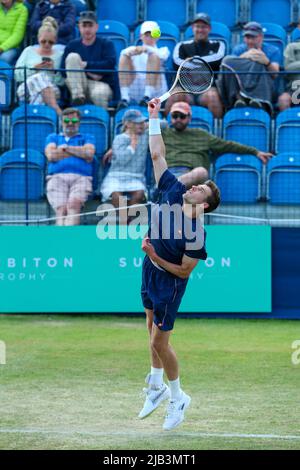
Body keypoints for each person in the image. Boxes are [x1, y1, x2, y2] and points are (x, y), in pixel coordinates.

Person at [139, 97, 220, 431]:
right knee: (149, 331)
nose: (196, 187)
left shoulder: (197, 234)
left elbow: (185, 271)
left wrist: (155, 255)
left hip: (170, 283)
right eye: (198, 185)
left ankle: (177, 396)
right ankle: (155, 386)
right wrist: (154, 117)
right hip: (149, 271)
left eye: (201, 190)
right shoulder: (173, 190)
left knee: (160, 342)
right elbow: (157, 154)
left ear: (206, 205)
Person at [161, 101, 273, 188]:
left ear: (189, 118)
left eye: (182, 116)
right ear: (170, 118)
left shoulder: (201, 134)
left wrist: (255, 152)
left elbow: (228, 145)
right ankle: (172, 187)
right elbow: (146, 127)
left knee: (202, 172)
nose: (178, 119)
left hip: (192, 175)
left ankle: (171, 188)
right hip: (169, 172)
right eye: (175, 116)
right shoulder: (164, 133)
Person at [45, 107, 96, 225]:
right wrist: (79, 152)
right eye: (66, 121)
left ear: (79, 122)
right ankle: (63, 239)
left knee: (74, 204)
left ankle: (69, 238)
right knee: (61, 209)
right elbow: (51, 155)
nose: (70, 124)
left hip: (82, 178)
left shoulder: (87, 137)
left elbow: (89, 153)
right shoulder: (53, 137)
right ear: (61, 122)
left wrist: (66, 148)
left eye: (74, 121)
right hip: (56, 177)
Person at [170, 12, 225, 118]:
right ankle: (167, 131)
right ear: (192, 28)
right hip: (184, 88)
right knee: (174, 96)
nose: (200, 30)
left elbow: (218, 59)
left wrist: (190, 61)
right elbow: (176, 63)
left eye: (203, 27)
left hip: (208, 88)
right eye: (197, 26)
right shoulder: (181, 45)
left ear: (209, 28)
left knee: (213, 97)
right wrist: (203, 64)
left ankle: (216, 132)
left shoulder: (218, 45)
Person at [218, 21, 281, 112]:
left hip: (265, 87)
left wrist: (266, 62)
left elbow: (275, 74)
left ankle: (258, 99)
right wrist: (244, 57)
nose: (250, 41)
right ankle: (239, 98)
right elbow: (230, 68)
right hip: (240, 87)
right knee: (227, 60)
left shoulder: (273, 50)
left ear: (261, 37)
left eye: (253, 37)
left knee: (258, 60)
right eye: (247, 37)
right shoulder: (238, 50)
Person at [60, 10, 116, 108]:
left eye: (90, 26)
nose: (87, 29)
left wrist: (86, 65)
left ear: (96, 27)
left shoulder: (106, 44)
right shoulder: (72, 45)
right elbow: (63, 70)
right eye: (84, 26)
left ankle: (100, 120)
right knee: (73, 57)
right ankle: (78, 98)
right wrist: (89, 72)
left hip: (100, 83)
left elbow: (110, 64)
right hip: (77, 83)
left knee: (99, 94)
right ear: (79, 27)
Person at [100, 109, 148, 216]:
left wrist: (148, 125)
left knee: (139, 193)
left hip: (137, 177)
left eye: (142, 122)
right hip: (115, 177)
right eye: (137, 122)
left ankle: (129, 220)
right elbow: (122, 160)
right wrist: (132, 145)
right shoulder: (119, 139)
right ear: (127, 124)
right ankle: (124, 220)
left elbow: (163, 124)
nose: (141, 125)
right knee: (117, 196)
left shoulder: (145, 135)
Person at [15, 19, 64, 114]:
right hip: (26, 89)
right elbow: (17, 75)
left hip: (52, 91)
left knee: (39, 95)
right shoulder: (28, 51)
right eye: (43, 41)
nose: (46, 44)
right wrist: (34, 69)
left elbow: (62, 82)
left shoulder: (59, 55)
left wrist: (53, 71)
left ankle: (32, 120)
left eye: (50, 42)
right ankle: (56, 111)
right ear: (38, 39)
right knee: (39, 76)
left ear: (55, 41)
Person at [118, 20, 170, 109]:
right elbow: (123, 52)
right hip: (135, 90)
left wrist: (146, 49)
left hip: (156, 92)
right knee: (124, 56)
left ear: (158, 36)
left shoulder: (163, 50)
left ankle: (147, 96)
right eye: (147, 34)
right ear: (141, 36)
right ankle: (125, 98)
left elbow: (162, 56)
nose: (150, 37)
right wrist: (131, 52)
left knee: (153, 56)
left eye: (153, 34)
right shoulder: (133, 49)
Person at [0, 0, 28, 65]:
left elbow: (17, 35)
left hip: (12, 47)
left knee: (5, 58)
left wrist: (1, 48)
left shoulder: (22, 10)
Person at [277, 39, 300, 111]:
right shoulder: (292, 47)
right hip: (295, 88)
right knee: (283, 100)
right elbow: (288, 68)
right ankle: (284, 121)